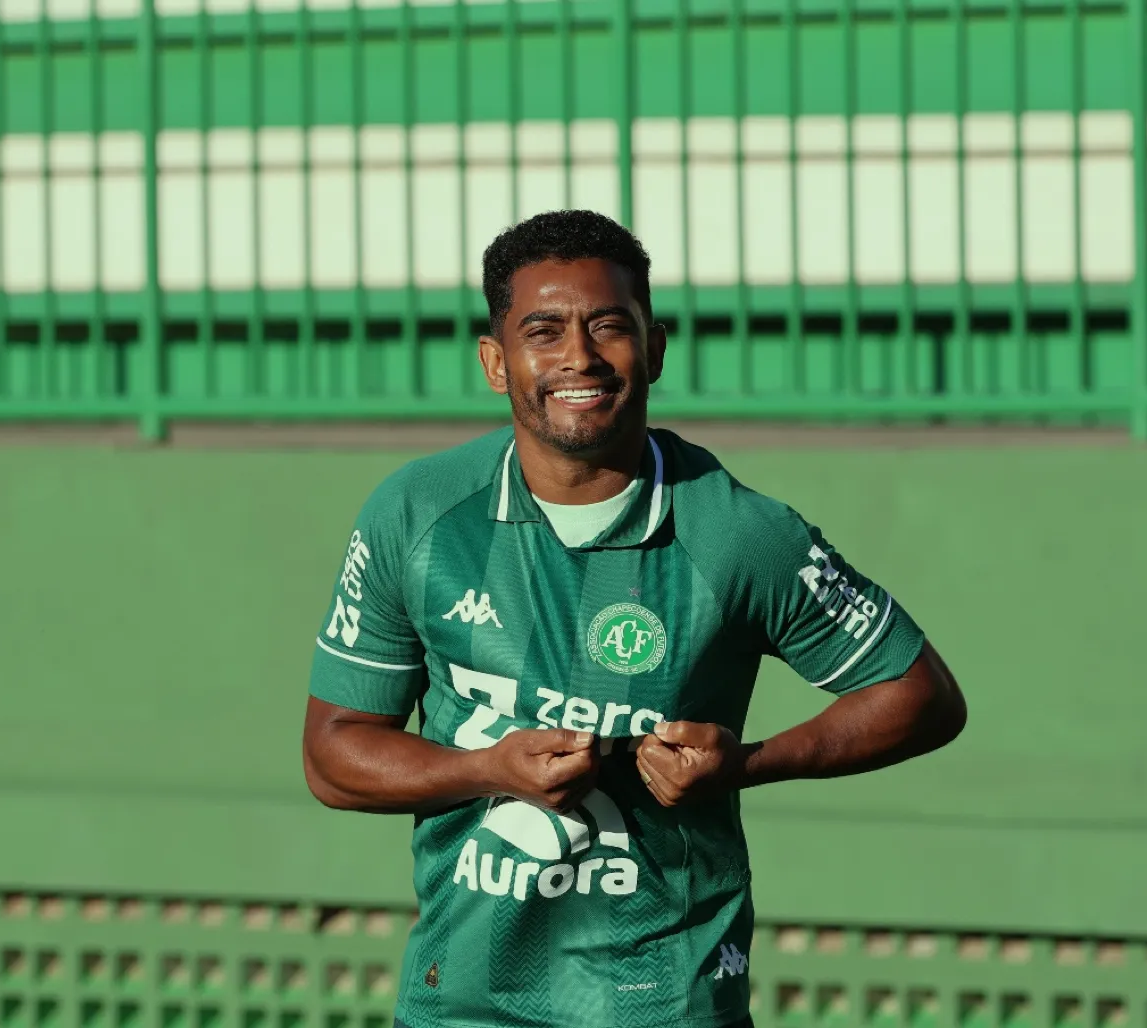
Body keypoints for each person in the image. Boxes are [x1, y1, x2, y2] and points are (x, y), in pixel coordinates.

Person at [302, 209, 968, 1028]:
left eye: (608, 327)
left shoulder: (739, 532)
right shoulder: (417, 515)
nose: (578, 356)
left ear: (653, 347)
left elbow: (920, 694)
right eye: (542, 331)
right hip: (463, 1006)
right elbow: (333, 756)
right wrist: (490, 769)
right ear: (495, 361)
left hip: (666, 1003)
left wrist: (747, 764)